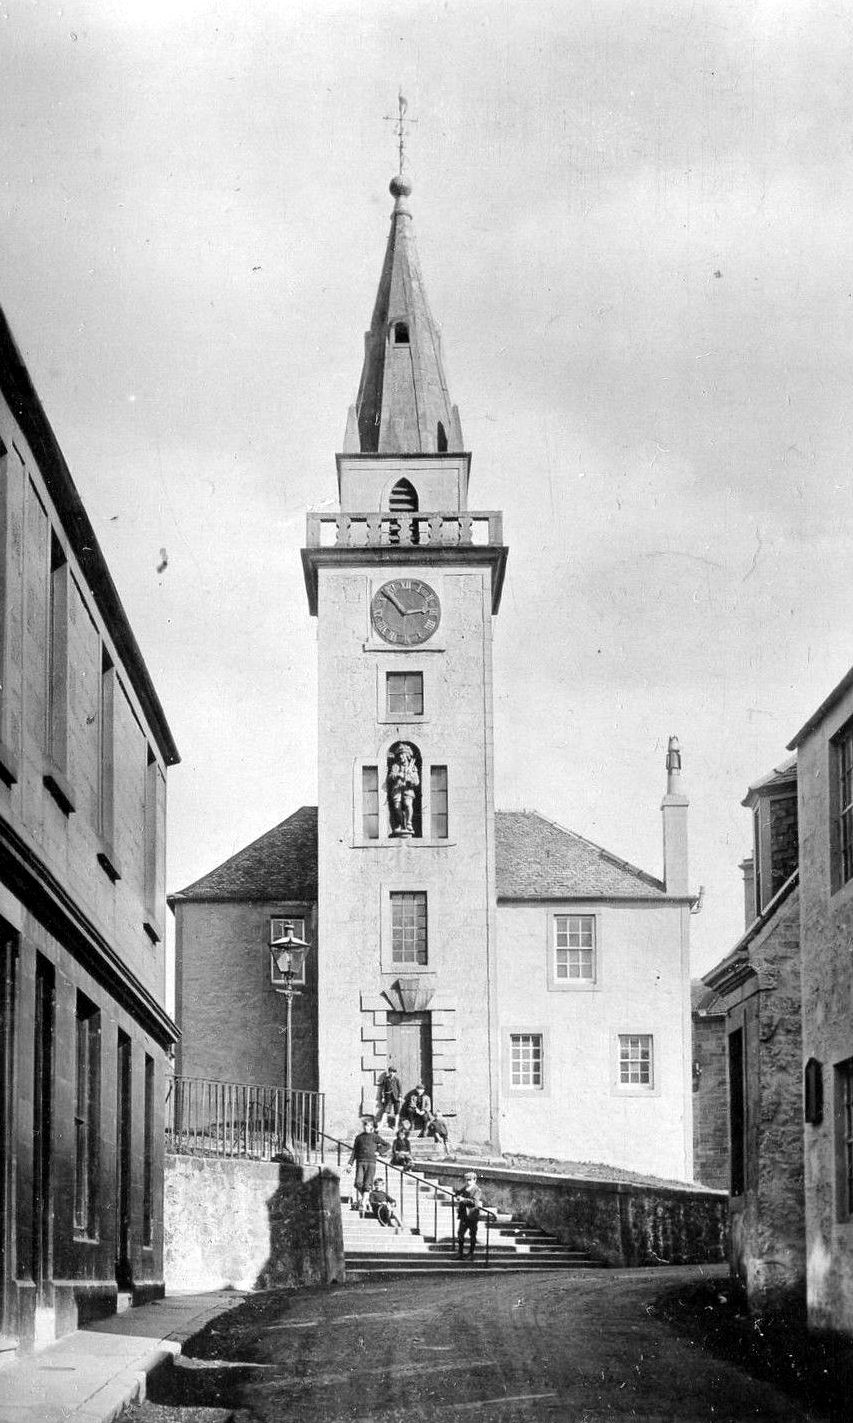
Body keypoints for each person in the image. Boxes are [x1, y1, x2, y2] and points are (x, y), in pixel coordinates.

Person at [347, 1118, 383, 1214]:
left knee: (367, 1184)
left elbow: (387, 1145)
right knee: (358, 1183)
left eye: (368, 1125)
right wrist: (350, 1164)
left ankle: (363, 1202)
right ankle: (367, 1198)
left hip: (371, 1162)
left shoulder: (375, 1137)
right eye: (365, 1125)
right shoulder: (359, 1137)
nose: (366, 1127)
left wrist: (379, 1152)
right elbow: (354, 1151)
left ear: (371, 1127)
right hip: (360, 1162)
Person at [455, 1170, 492, 1260]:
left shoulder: (476, 1190)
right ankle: (460, 1254)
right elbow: (457, 1193)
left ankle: (471, 1254)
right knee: (460, 1234)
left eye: (470, 1180)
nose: (468, 1182)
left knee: (472, 1235)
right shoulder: (465, 1188)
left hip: (472, 1215)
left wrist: (463, 1199)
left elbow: (474, 1202)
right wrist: (457, 1195)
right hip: (464, 1215)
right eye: (467, 1180)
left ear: (474, 1180)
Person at [375, 1062, 402, 1127]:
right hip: (388, 1097)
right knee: (386, 1111)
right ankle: (381, 1124)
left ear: (395, 1072)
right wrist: (383, 1097)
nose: (392, 1073)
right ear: (389, 1072)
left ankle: (396, 1126)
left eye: (393, 1072)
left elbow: (400, 1088)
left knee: (397, 1112)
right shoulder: (386, 1079)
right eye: (390, 1072)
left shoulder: (397, 1079)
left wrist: (400, 1096)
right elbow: (383, 1089)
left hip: (396, 1097)